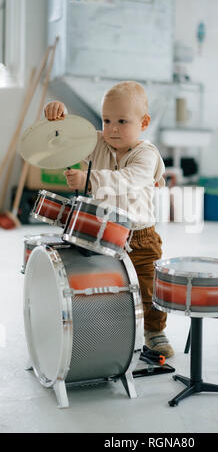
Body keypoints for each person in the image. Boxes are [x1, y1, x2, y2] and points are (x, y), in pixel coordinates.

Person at [44, 81, 174, 358]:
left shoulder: (146, 153)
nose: (112, 128)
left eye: (122, 121)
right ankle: (112, 330)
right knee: (108, 287)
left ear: (144, 122)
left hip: (140, 235)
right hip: (103, 232)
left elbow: (129, 179)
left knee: (148, 287)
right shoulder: (98, 143)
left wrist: (88, 179)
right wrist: (59, 119)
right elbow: (67, 139)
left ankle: (154, 330)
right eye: (106, 120)